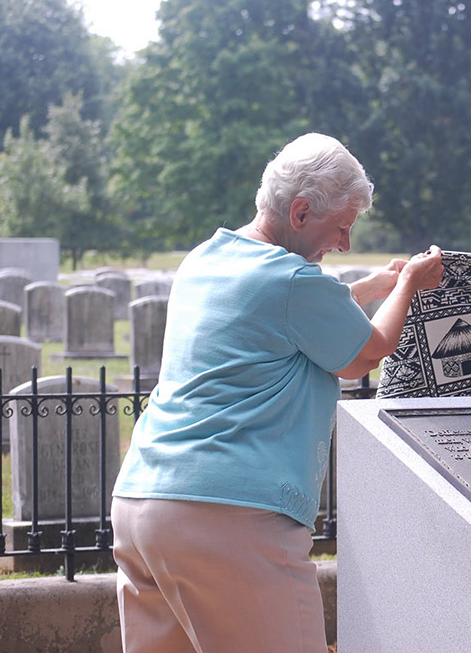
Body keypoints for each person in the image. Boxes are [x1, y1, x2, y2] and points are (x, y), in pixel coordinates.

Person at [111, 132, 444, 653]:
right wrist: (406, 286)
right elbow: (366, 353)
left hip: (143, 505)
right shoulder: (290, 279)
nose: (345, 245)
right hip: (227, 517)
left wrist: (368, 288)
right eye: (341, 228)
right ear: (302, 211)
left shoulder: (207, 258)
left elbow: (278, 319)